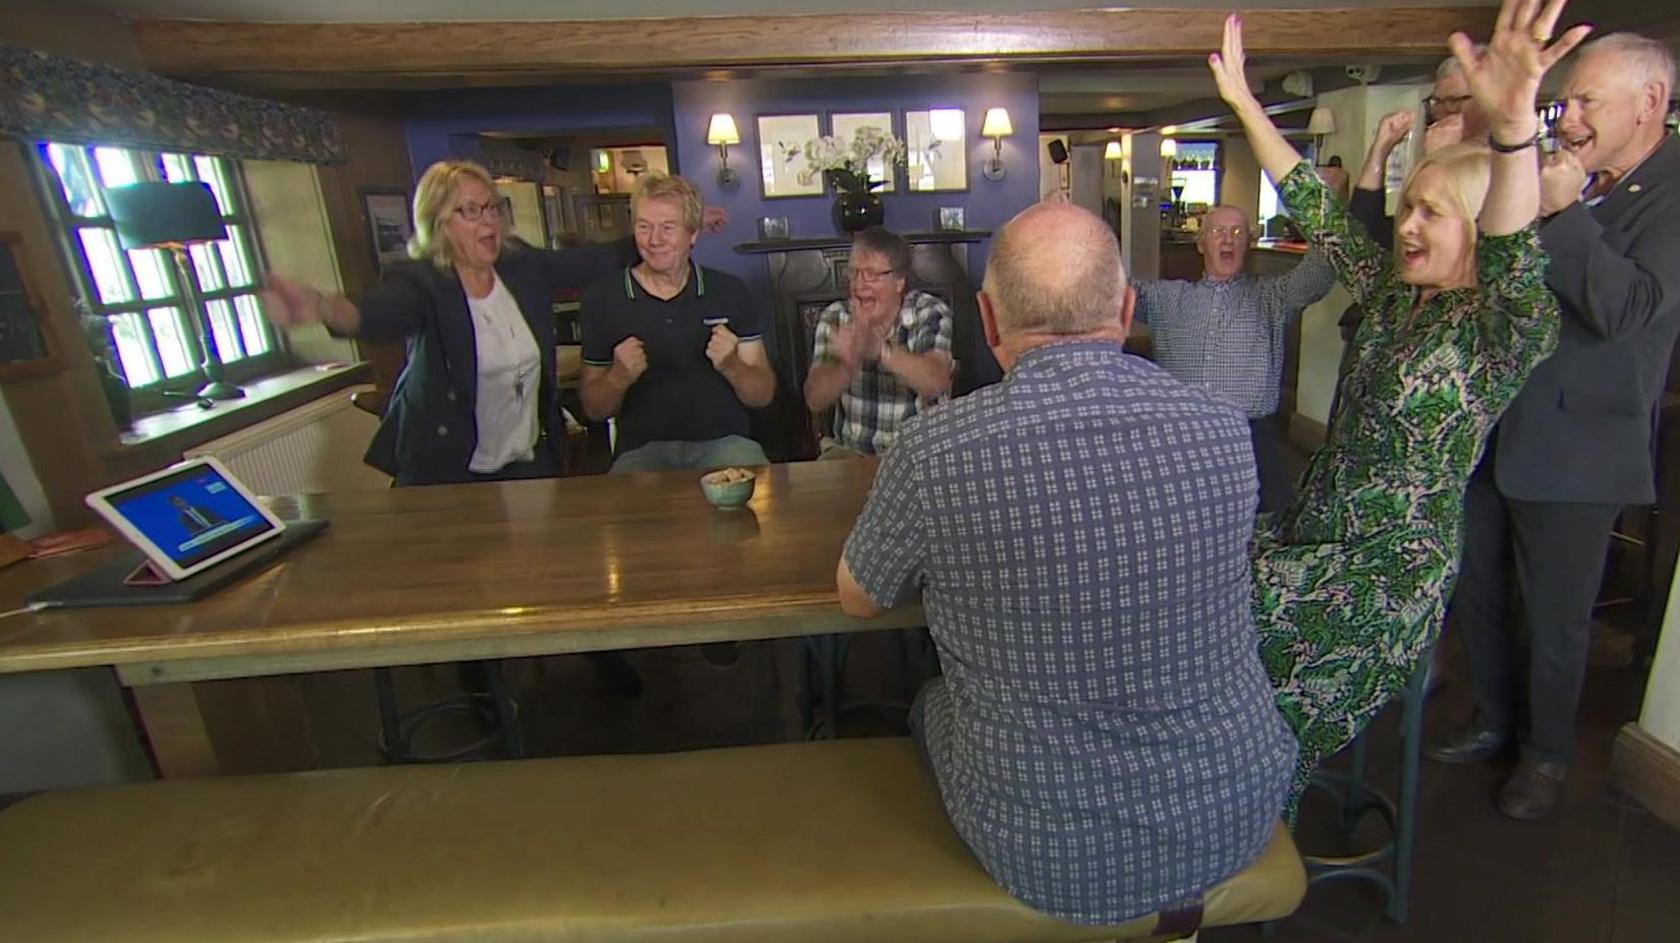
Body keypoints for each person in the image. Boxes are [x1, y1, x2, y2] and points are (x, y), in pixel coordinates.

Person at [835, 200, 1296, 925]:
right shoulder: (1224, 429)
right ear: (1126, 307)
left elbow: (859, 598)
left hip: (1048, 855)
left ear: (989, 323)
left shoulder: (933, 453)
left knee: (929, 703)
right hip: (1234, 808)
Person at [1206, 1, 1584, 816]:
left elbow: (1519, 254)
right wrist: (1244, 105)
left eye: (1431, 213)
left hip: (1383, 571)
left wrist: (1515, 124)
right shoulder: (1390, 296)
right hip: (1313, 532)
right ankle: (1198, 788)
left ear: (1482, 229)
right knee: (1190, 584)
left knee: (1224, 631)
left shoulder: (1504, 327)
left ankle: (1227, 805)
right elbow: (1317, 208)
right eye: (1409, 205)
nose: (1407, 225)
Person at [1430, 31, 1680, 820]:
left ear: (1650, 103)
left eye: (1586, 102)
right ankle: (1495, 718)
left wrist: (1564, 210)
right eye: (1565, 100)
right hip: (1499, 426)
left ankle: (1544, 755)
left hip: (1580, 447)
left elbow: (1625, 309)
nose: (1568, 117)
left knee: (1556, 616)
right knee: (1482, 590)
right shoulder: (1571, 173)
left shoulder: (1672, 194)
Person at [261, 159, 630, 485]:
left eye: (492, 207)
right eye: (470, 210)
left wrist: (653, 238)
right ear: (439, 223)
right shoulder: (423, 282)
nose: (488, 220)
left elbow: (592, 262)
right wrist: (325, 308)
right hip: (447, 469)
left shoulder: (521, 265)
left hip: (525, 463)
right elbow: (380, 311)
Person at [1132, 205, 1333, 511]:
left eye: (1237, 232)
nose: (1227, 240)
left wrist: (1326, 208)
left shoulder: (1272, 298)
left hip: (1252, 440)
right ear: (1201, 244)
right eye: (1218, 232)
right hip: (1181, 440)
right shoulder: (1166, 299)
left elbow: (1319, 274)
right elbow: (1109, 290)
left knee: (1269, 531)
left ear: (1248, 244)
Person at [580, 173, 775, 472]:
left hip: (726, 445)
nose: (654, 240)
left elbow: (763, 396)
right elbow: (593, 409)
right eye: (644, 227)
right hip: (642, 452)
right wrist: (618, 376)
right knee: (627, 512)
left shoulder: (730, 291)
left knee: (761, 503)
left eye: (668, 228)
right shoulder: (603, 300)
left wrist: (732, 365)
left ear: (693, 234)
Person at [803, 227, 952, 457]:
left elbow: (935, 382)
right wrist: (847, 363)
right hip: (851, 454)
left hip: (919, 454)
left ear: (899, 281)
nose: (859, 285)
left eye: (871, 274)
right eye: (854, 273)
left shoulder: (929, 312)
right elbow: (815, 399)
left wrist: (879, 349)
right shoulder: (835, 317)